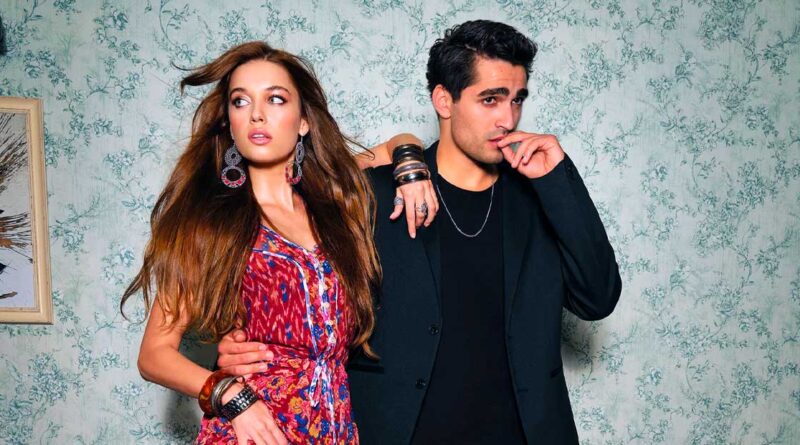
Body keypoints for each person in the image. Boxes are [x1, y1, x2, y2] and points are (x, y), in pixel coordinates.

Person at [218, 20, 622, 444]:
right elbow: (296, 285)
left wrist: (558, 179)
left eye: (517, 99)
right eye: (490, 99)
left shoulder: (540, 196)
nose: (508, 118)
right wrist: (240, 352)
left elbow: (597, 299)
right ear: (444, 100)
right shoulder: (374, 195)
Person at [121, 41, 438, 445]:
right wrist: (230, 396)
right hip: (256, 430)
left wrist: (411, 167)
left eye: (275, 99)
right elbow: (153, 355)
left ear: (303, 121)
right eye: (240, 101)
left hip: (334, 430)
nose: (257, 113)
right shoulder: (211, 223)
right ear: (229, 123)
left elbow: (397, 143)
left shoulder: (335, 199)